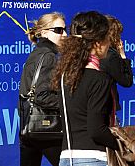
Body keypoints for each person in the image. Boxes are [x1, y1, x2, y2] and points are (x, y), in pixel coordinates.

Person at [51, 11, 119, 166]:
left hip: (66, 158)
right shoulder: (100, 79)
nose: (109, 43)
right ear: (97, 42)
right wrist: (122, 144)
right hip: (93, 159)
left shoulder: (64, 77)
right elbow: (96, 130)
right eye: (107, 37)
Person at [19, 12, 67, 166]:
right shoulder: (48, 56)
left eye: (65, 29)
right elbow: (42, 95)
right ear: (44, 32)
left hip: (29, 126)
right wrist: (67, 103)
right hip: (46, 128)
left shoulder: (38, 52)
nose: (65, 34)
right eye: (59, 30)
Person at [100, 16, 133, 125]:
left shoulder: (96, 52)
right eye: (119, 34)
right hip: (107, 107)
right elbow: (126, 81)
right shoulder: (111, 56)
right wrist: (123, 56)